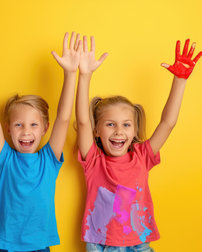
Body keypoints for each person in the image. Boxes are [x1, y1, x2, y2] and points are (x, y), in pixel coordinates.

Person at [75, 37, 201, 252]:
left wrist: (180, 81)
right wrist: (85, 76)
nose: (118, 131)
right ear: (97, 130)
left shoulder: (142, 155)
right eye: (110, 124)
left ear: (134, 130)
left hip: (139, 244)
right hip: (101, 245)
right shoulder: (93, 161)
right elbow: (83, 121)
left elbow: (168, 123)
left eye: (126, 125)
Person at [0, 32, 80, 252]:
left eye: (33, 125)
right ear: (8, 128)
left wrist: (70, 74)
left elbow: (64, 118)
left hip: (40, 247)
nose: (26, 132)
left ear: (45, 128)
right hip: (8, 247)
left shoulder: (48, 159)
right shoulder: (5, 159)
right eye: (18, 125)